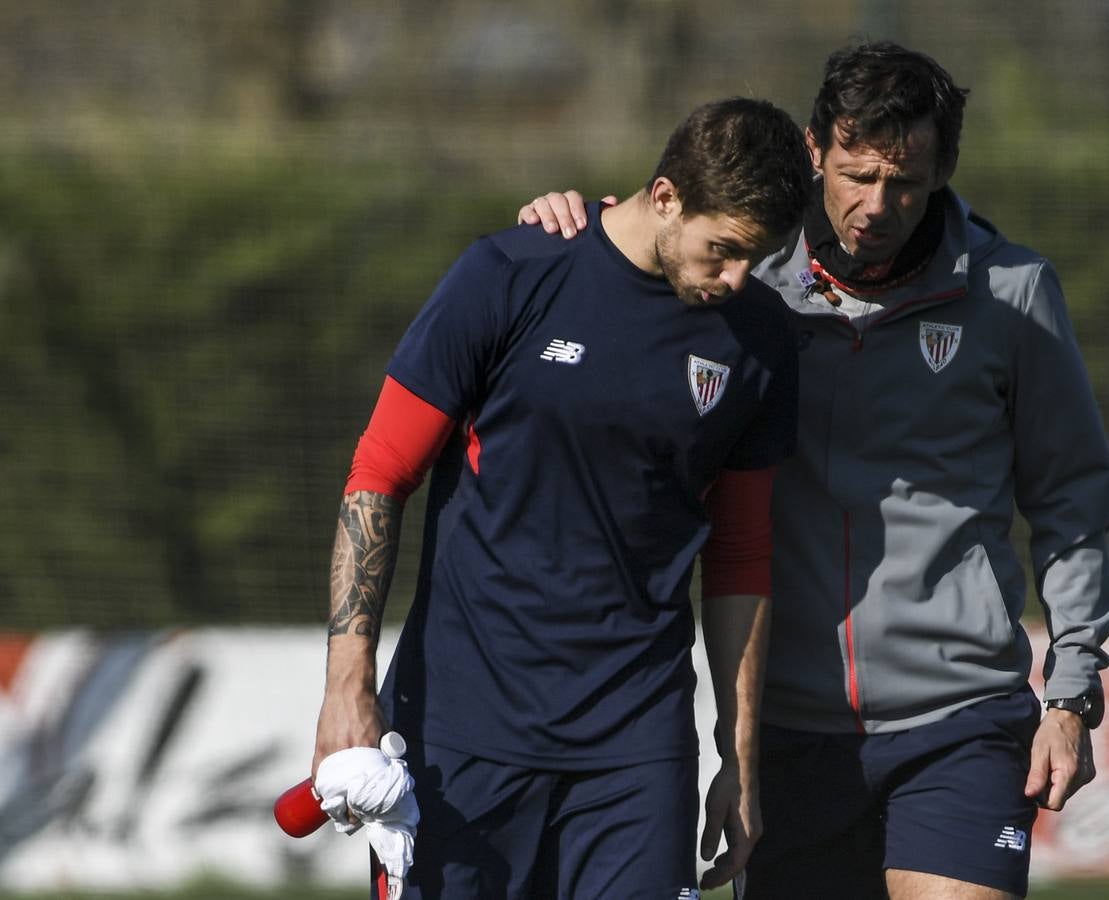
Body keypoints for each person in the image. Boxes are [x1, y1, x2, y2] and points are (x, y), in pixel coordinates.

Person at [518, 41, 1109, 900]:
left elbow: (1071, 501)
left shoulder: (1012, 293)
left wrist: (1069, 694)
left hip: (961, 718)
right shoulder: (741, 273)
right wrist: (566, 222)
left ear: (943, 168)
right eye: (853, 175)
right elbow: (640, 247)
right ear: (812, 152)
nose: (875, 205)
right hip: (784, 728)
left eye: (903, 182)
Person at [311, 96, 811, 899]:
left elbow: (742, 552)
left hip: (636, 746)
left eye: (759, 256)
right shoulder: (510, 274)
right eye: (723, 251)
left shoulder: (762, 340)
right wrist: (347, 691)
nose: (737, 278)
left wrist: (738, 758)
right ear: (666, 196)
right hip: (459, 737)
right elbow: (378, 474)